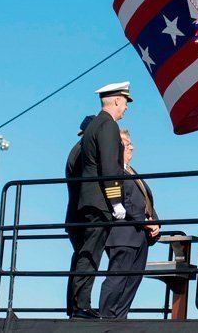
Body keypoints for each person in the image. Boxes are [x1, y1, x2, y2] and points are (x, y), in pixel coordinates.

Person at [70, 82, 132, 319]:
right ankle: (81, 305)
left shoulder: (95, 124)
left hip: (91, 199)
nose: (126, 108)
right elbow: (109, 166)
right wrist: (116, 201)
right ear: (116, 100)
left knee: (89, 253)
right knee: (91, 254)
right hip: (99, 202)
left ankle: (79, 304)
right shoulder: (107, 125)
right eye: (125, 102)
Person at [99, 129, 160, 319]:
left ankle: (120, 319)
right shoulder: (115, 171)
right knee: (118, 277)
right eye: (127, 144)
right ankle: (106, 318)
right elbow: (124, 201)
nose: (132, 147)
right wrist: (145, 222)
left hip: (140, 235)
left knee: (133, 279)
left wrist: (155, 222)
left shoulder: (132, 171)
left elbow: (145, 201)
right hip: (123, 234)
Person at [64, 114, 95, 318]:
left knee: (80, 259)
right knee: (85, 258)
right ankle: (79, 306)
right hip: (82, 214)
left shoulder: (76, 150)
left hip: (75, 214)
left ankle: (75, 306)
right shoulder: (83, 151)